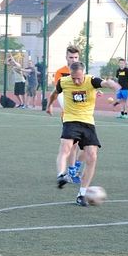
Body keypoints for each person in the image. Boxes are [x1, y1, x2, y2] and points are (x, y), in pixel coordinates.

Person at [46, 61, 120, 206]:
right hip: (70, 120)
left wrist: (113, 84)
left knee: (92, 156)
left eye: (79, 78)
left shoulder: (91, 80)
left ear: (83, 74)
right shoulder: (63, 82)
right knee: (66, 147)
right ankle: (61, 175)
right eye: (73, 78)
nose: (76, 81)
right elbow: (54, 93)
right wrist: (49, 106)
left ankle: (81, 194)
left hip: (87, 122)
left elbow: (105, 83)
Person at [54, 45, 84, 184]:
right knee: (72, 145)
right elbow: (59, 92)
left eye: (76, 57)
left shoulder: (82, 72)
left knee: (86, 147)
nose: (73, 60)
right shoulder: (60, 72)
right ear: (66, 57)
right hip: (69, 115)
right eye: (71, 57)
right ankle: (71, 172)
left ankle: (74, 168)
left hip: (83, 115)